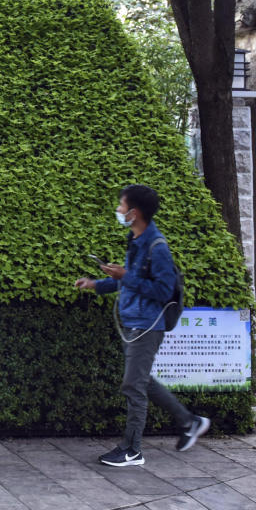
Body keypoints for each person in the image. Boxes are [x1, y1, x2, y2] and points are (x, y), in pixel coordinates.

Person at [75, 184, 209, 467]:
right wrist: (97, 284)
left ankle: (132, 450)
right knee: (142, 380)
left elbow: (163, 290)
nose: (118, 210)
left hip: (148, 326)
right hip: (136, 323)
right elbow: (130, 279)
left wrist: (126, 275)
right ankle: (190, 421)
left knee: (133, 385)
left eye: (121, 206)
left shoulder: (156, 246)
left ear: (134, 213)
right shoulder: (136, 240)